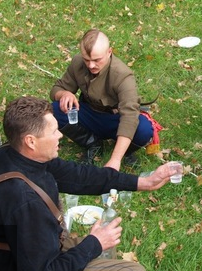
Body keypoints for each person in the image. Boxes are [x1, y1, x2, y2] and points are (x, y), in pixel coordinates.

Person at [0, 96, 181, 271]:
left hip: (1, 260)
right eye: (53, 131)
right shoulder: (25, 201)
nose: (61, 134)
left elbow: (79, 176)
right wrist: (94, 243)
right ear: (31, 141)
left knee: (105, 253)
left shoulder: (13, 155)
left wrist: (143, 182)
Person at [50, 29, 154, 170]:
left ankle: (126, 152)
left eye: (97, 60)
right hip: (89, 113)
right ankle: (92, 142)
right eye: (87, 60)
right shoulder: (77, 63)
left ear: (109, 52)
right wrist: (64, 94)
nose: (91, 65)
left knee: (144, 129)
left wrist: (115, 160)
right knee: (55, 109)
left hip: (114, 119)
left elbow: (129, 117)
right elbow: (57, 88)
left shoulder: (123, 75)